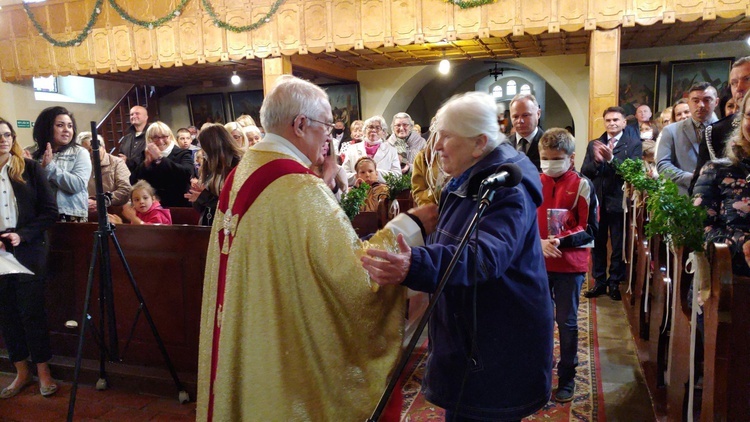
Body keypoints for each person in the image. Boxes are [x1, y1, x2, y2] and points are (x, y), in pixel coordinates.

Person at [196, 75, 438, 421]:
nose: (330, 136)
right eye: (327, 126)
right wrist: (411, 224)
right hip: (284, 351)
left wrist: (322, 182)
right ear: (300, 124)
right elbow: (352, 279)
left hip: (254, 332)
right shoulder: (298, 187)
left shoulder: (246, 170)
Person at [361, 91, 553, 421]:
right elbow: (451, 239)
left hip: (496, 345)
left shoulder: (506, 188)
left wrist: (415, 264)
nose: (435, 146)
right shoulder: (470, 176)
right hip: (472, 339)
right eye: (436, 135)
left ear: (479, 143)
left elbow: (483, 257)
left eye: (446, 137)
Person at [0, 119, 59, 399]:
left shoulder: (30, 168)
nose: (3, 140)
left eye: (7, 134)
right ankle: (21, 372)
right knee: (6, 313)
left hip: (28, 248)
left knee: (31, 311)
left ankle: (43, 372)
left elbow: (50, 212)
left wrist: (22, 235)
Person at [537, 128, 595, 403]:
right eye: (545, 158)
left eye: (556, 158)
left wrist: (558, 242)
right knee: (538, 320)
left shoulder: (582, 184)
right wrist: (538, 243)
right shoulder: (534, 182)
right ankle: (538, 375)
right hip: (538, 262)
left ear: (571, 158)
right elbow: (522, 222)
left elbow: (590, 228)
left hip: (569, 265)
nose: (549, 163)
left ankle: (567, 377)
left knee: (566, 321)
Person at [582, 106, 642, 301]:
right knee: (597, 243)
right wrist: (598, 162)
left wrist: (612, 159)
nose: (612, 123)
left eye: (616, 120)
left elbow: (633, 173)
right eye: (608, 120)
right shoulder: (595, 143)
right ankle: (599, 281)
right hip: (598, 200)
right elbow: (585, 171)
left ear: (624, 122)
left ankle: (615, 282)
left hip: (619, 200)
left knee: (618, 244)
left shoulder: (633, 143)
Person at [693, 90, 750, 275]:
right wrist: (742, 242)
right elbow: (700, 229)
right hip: (728, 281)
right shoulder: (717, 171)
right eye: (749, 115)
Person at [690, 57, 750, 195]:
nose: (739, 88)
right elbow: (698, 189)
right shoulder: (715, 132)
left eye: (747, 79)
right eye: (734, 83)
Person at [656, 82, 719, 195]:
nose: (701, 105)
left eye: (707, 100)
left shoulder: (727, 129)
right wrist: (690, 178)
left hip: (719, 197)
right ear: (688, 102)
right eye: (695, 101)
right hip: (684, 197)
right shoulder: (671, 131)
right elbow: (663, 165)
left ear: (716, 102)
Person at [32, 106, 91, 222]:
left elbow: (77, 185)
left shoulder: (80, 153)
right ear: (46, 127)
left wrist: (50, 167)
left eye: (70, 126)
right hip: (37, 214)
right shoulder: (30, 153)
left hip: (70, 215)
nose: (66, 130)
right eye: (60, 125)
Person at [185, 125, 243, 226]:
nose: (203, 153)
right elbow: (203, 206)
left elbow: (233, 204)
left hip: (229, 225)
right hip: (209, 222)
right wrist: (197, 197)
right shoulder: (209, 164)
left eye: (204, 149)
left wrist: (203, 196)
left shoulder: (237, 166)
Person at [132, 122, 194, 208]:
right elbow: (133, 181)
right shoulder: (144, 155)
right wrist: (145, 164)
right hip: (153, 207)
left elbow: (187, 174)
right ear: (149, 139)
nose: (160, 141)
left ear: (170, 137)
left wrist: (160, 159)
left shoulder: (182, 153)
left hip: (178, 205)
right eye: (155, 137)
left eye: (164, 136)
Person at [78, 132, 131, 210]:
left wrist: (101, 202)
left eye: (94, 148)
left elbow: (125, 190)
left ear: (103, 147)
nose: (92, 152)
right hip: (88, 210)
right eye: (87, 151)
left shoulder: (117, 163)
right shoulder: (82, 166)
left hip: (115, 209)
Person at [342, 115, 401, 184]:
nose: (373, 130)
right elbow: (343, 175)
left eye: (378, 128)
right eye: (370, 127)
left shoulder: (391, 150)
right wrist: (359, 177)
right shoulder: (352, 149)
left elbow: (398, 176)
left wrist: (376, 174)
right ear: (364, 131)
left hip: (383, 192)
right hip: (358, 191)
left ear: (383, 132)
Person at [509, 93, 543, 171]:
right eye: (515, 116)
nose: (520, 121)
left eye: (525, 115)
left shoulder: (550, 143)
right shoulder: (505, 145)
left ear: (538, 114)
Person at [118, 105, 151, 178]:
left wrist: (128, 161)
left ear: (146, 117)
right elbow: (121, 155)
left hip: (146, 178)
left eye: (137, 113)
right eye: (131, 114)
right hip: (128, 178)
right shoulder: (126, 138)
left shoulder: (152, 136)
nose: (133, 116)